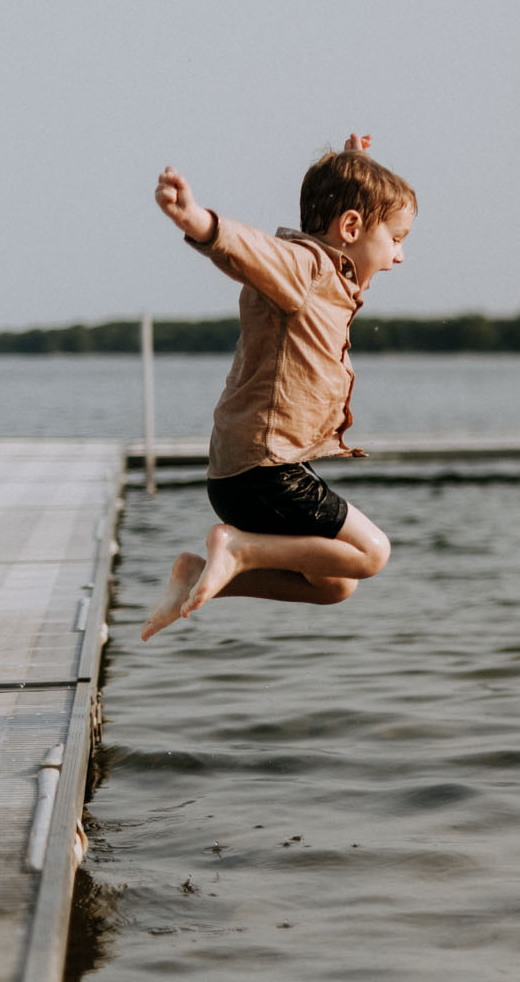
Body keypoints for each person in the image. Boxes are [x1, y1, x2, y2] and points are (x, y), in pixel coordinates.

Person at [143, 135, 417, 640]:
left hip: (249, 472)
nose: (399, 256)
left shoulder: (327, 279)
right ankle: (240, 549)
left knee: (334, 583)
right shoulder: (305, 267)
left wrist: (356, 163)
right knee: (372, 552)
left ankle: (197, 578)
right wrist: (198, 222)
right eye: (397, 238)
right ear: (351, 227)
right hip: (261, 471)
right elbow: (247, 251)